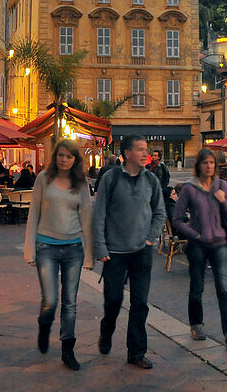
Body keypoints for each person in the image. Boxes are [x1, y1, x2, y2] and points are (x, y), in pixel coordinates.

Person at [92, 135, 166, 369]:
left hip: (141, 252)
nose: (146, 154)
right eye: (141, 150)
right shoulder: (111, 179)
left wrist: (150, 238)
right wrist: (100, 247)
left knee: (140, 303)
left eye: (147, 150)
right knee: (113, 300)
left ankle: (136, 352)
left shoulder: (151, 180)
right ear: (126, 153)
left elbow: (159, 212)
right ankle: (107, 330)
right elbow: (99, 214)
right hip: (114, 252)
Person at [24, 140, 93, 370]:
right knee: (51, 300)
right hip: (47, 247)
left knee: (70, 302)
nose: (64, 160)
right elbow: (33, 212)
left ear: (75, 160)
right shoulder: (44, 179)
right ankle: (44, 325)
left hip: (74, 248)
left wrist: (90, 254)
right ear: (55, 157)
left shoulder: (81, 183)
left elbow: (86, 218)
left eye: (69, 156)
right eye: (61, 155)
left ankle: (67, 348)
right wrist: (29, 248)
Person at [171, 147, 227, 348]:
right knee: (197, 286)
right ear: (199, 165)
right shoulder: (189, 189)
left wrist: (223, 202)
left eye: (212, 162)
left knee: (223, 288)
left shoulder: (221, 186)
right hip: (198, 245)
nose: (209, 166)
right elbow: (177, 220)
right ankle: (196, 324)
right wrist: (195, 235)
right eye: (205, 163)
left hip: (219, 243)